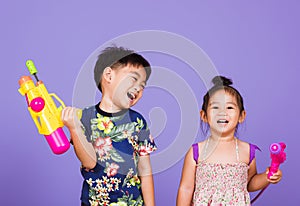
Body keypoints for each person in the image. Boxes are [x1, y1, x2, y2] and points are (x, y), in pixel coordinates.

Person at [62, 46, 157, 206]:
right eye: (134, 79)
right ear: (108, 75)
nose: (138, 89)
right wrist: (74, 128)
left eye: (142, 86)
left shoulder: (138, 122)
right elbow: (90, 163)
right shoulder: (83, 118)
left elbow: (145, 169)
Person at [176, 76, 283, 206]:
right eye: (215, 107)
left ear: (241, 116)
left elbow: (249, 184)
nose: (222, 112)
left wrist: (268, 176)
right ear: (204, 116)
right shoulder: (197, 151)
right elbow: (186, 188)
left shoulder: (247, 151)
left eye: (229, 108)